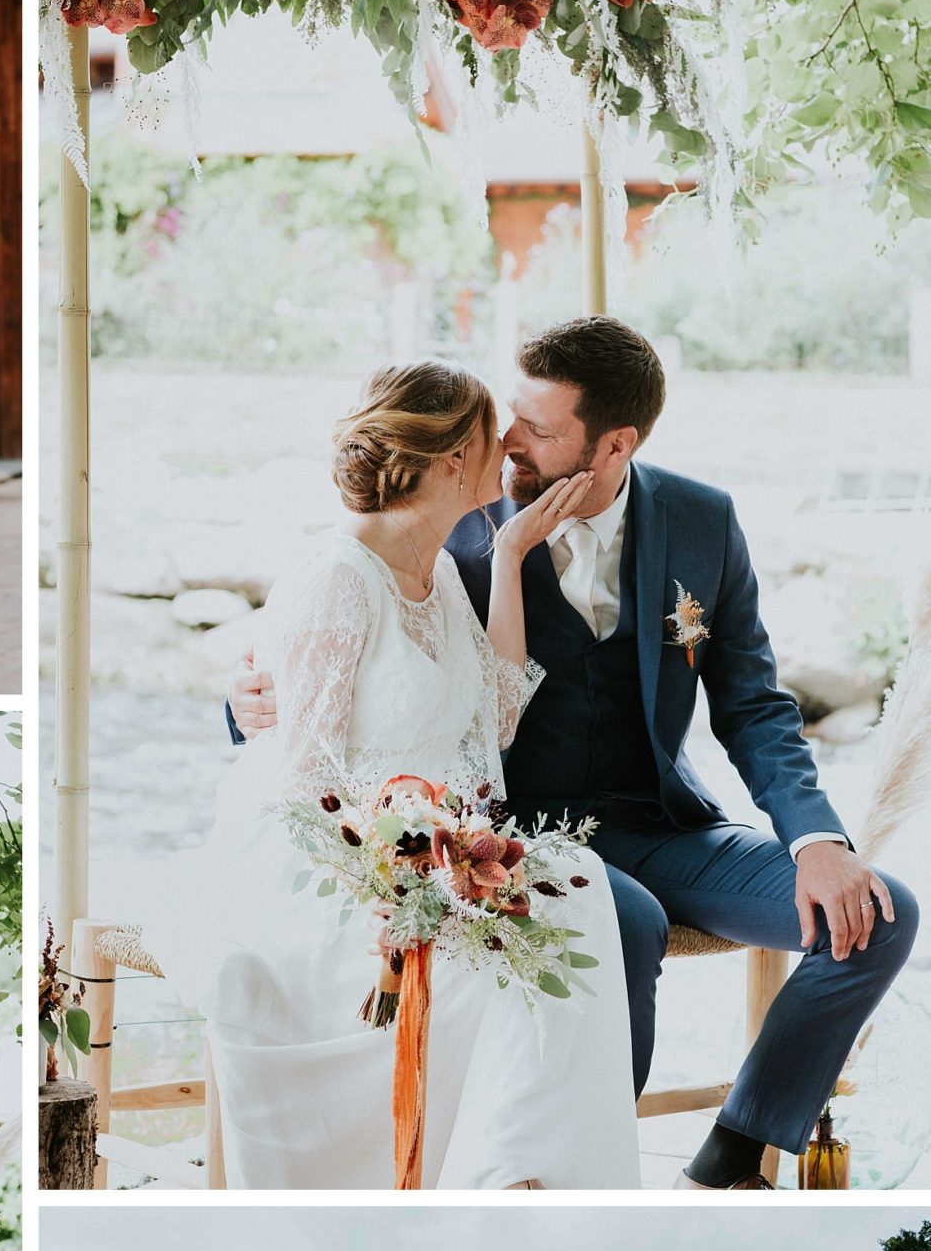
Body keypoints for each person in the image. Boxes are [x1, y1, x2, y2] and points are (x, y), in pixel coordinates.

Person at [231, 318, 919, 1188]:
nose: (509, 442)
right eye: (509, 418)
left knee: (877, 916)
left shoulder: (701, 521)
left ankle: (730, 1154)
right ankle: (590, 1171)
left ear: (613, 443)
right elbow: (339, 654)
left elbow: (751, 703)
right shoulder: (457, 520)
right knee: (619, 922)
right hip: (514, 838)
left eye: (540, 430)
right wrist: (243, 699)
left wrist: (817, 842)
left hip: (662, 824)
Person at [140, 361, 639, 1187]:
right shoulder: (336, 578)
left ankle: (523, 1174)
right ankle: (483, 1178)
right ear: (450, 462)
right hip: (330, 864)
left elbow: (499, 718)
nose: (509, 447)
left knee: (577, 890)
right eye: (492, 437)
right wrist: (398, 876)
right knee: (498, 979)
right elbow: (305, 784)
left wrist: (510, 556)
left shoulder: (440, 570)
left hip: (426, 848)